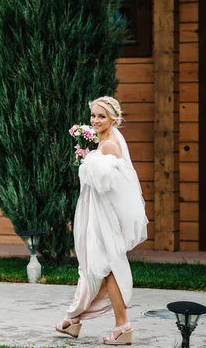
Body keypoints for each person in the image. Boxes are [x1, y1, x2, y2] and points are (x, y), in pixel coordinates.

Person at [55, 96, 149, 345]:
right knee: (94, 266)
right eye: (93, 116)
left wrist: (87, 164)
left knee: (105, 268)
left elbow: (110, 185)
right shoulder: (104, 141)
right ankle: (73, 319)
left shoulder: (109, 146)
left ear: (113, 119)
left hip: (104, 216)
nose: (95, 121)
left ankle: (122, 326)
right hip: (97, 214)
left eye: (101, 116)